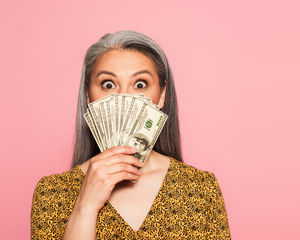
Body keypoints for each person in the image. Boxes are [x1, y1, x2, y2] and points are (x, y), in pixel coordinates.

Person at [31, 30, 231, 239]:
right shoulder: (52, 194)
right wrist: (86, 205)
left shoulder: (200, 188)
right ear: (89, 97)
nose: (124, 98)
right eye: (108, 85)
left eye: (140, 84)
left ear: (162, 96)